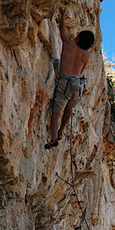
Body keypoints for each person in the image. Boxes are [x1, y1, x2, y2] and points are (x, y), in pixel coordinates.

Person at [45, 8, 94, 149]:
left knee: (56, 112)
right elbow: (81, 70)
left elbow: (62, 31)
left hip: (65, 81)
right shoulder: (86, 55)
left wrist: (62, 16)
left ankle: (54, 138)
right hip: (77, 83)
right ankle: (61, 131)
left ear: (79, 38)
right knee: (69, 108)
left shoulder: (69, 44)